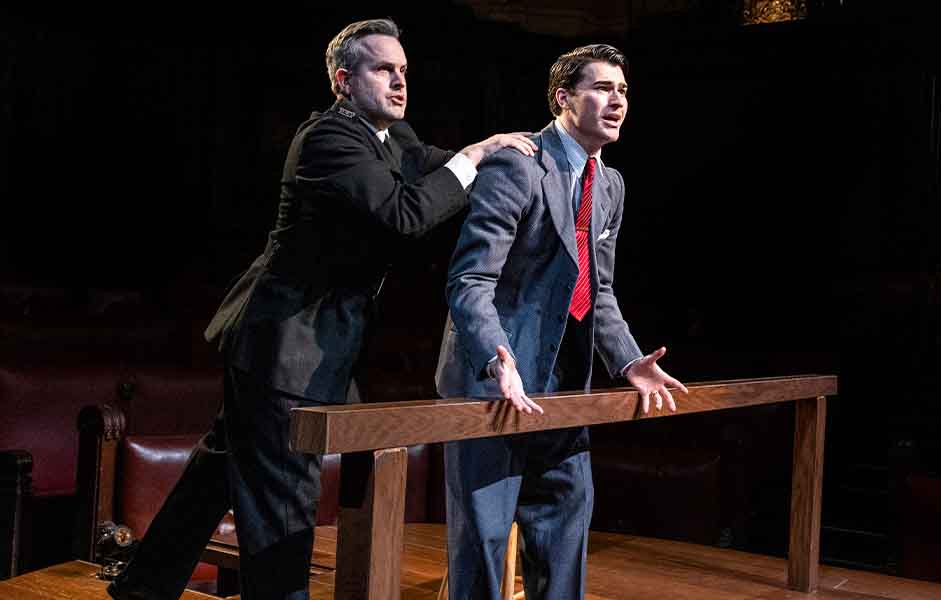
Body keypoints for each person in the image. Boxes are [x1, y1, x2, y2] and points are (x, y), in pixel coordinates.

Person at [107, 18, 536, 600]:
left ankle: (142, 586)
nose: (400, 82)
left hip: (303, 345)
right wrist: (474, 156)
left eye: (404, 70)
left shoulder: (392, 138)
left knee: (220, 472)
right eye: (384, 69)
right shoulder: (329, 140)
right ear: (343, 80)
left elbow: (443, 168)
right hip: (284, 348)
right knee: (283, 502)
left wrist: (514, 163)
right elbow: (405, 214)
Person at [434, 43, 687, 600]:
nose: (616, 100)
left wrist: (628, 362)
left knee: (564, 535)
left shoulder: (611, 185)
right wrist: (495, 354)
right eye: (601, 88)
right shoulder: (518, 164)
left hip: (564, 389)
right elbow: (470, 280)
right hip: (494, 383)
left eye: (622, 90)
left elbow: (597, 291)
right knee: (482, 551)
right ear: (563, 98)